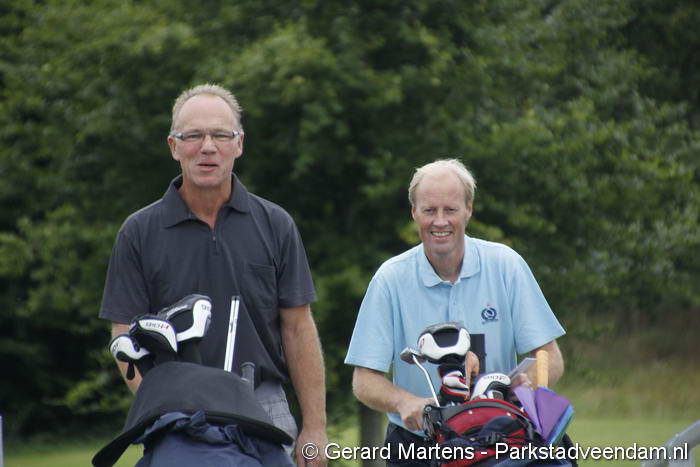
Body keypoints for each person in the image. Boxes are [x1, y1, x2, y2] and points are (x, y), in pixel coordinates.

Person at [99, 83, 327, 465]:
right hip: (179, 412)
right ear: (173, 146)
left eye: (221, 135)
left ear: (239, 144)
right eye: (193, 136)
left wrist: (315, 428)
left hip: (264, 405)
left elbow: (298, 329)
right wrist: (158, 400)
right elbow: (124, 334)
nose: (208, 147)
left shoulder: (276, 224)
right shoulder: (138, 232)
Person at [345, 158, 565, 466]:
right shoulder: (389, 279)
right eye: (429, 210)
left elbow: (550, 357)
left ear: (468, 210)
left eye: (450, 210)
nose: (440, 221)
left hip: (500, 440)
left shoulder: (507, 266)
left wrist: (523, 388)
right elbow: (364, 379)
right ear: (414, 212)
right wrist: (405, 402)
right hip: (416, 446)